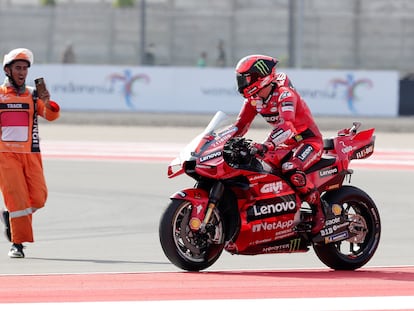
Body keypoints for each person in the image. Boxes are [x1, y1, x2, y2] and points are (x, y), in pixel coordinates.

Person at [233, 54, 325, 235]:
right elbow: (240, 126)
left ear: (260, 77)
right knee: (256, 165)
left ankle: (319, 210)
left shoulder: (285, 94)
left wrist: (267, 145)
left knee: (291, 167)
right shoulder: (255, 99)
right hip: (285, 145)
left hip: (308, 141)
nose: (242, 83)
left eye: (245, 78)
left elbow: (287, 126)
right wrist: (218, 142)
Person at [0, 48, 60, 258]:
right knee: (18, 201)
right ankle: (17, 244)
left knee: (39, 198)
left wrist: (47, 101)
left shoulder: (33, 95)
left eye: (25, 68)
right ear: (8, 70)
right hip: (5, 156)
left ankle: (10, 218)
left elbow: (51, 116)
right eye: (18, 68)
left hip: (31, 154)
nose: (22, 72)